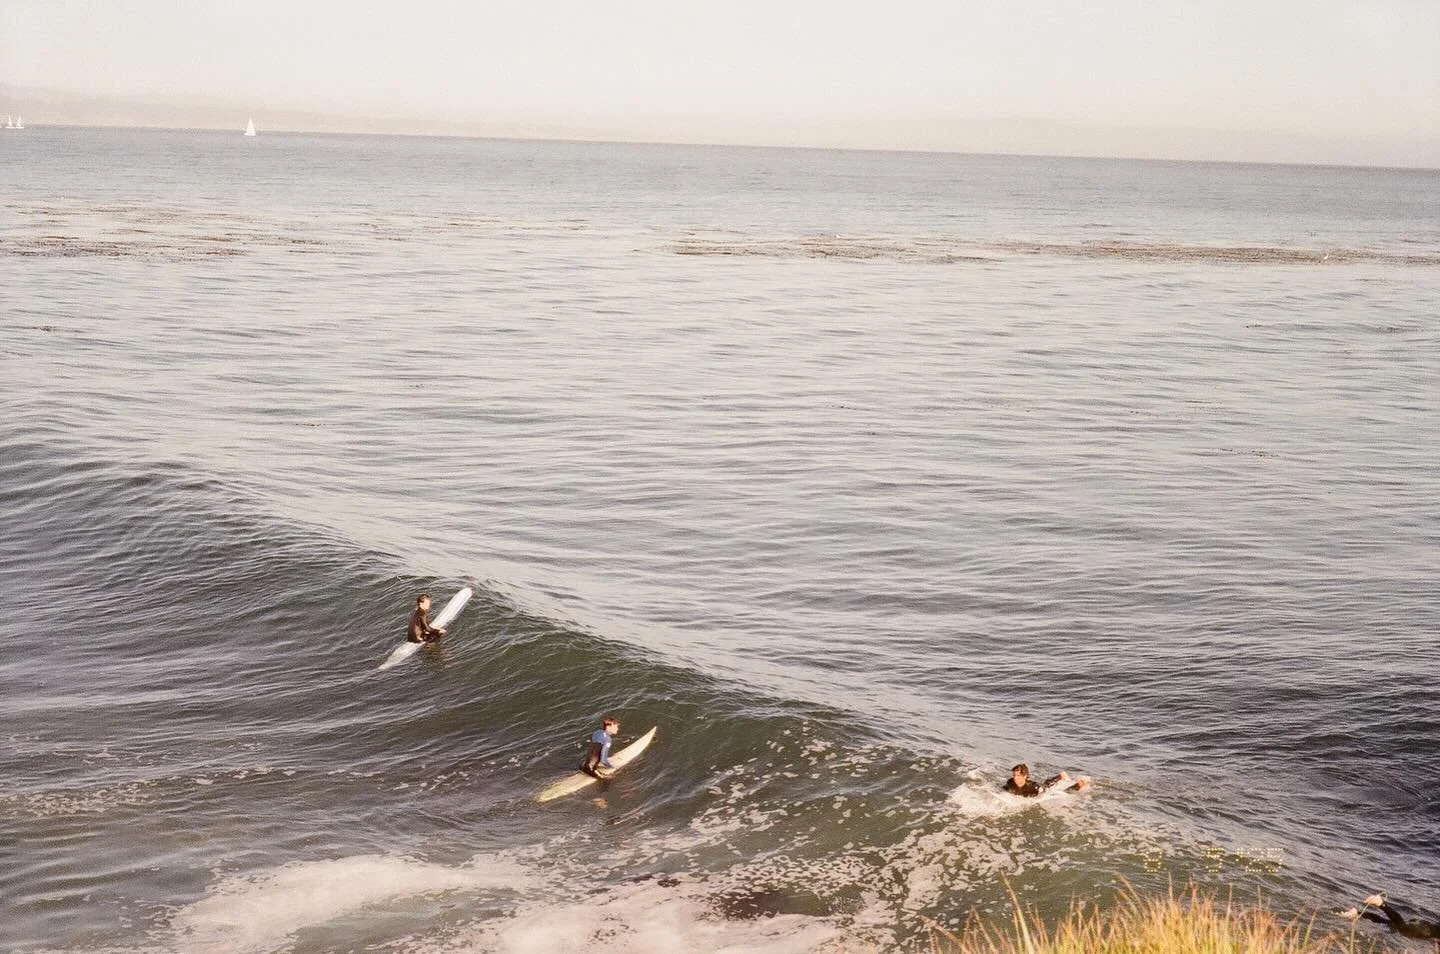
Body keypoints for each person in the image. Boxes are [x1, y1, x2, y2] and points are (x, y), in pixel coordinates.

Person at [1340, 893, 1440, 941]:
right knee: (1402, 927)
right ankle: (1381, 904)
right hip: (1425, 930)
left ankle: (1356, 913)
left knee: (1386, 921)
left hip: (1423, 925)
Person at [1003, 763, 1090, 797]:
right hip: (1038, 787)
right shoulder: (1010, 782)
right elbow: (1004, 789)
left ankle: (1079, 784)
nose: (1015, 777)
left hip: (1043, 790)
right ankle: (1060, 776)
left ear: (1025, 776)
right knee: (1047, 783)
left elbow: (1045, 796)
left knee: (1060, 792)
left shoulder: (1033, 787)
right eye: (1014, 775)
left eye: (1018, 775)